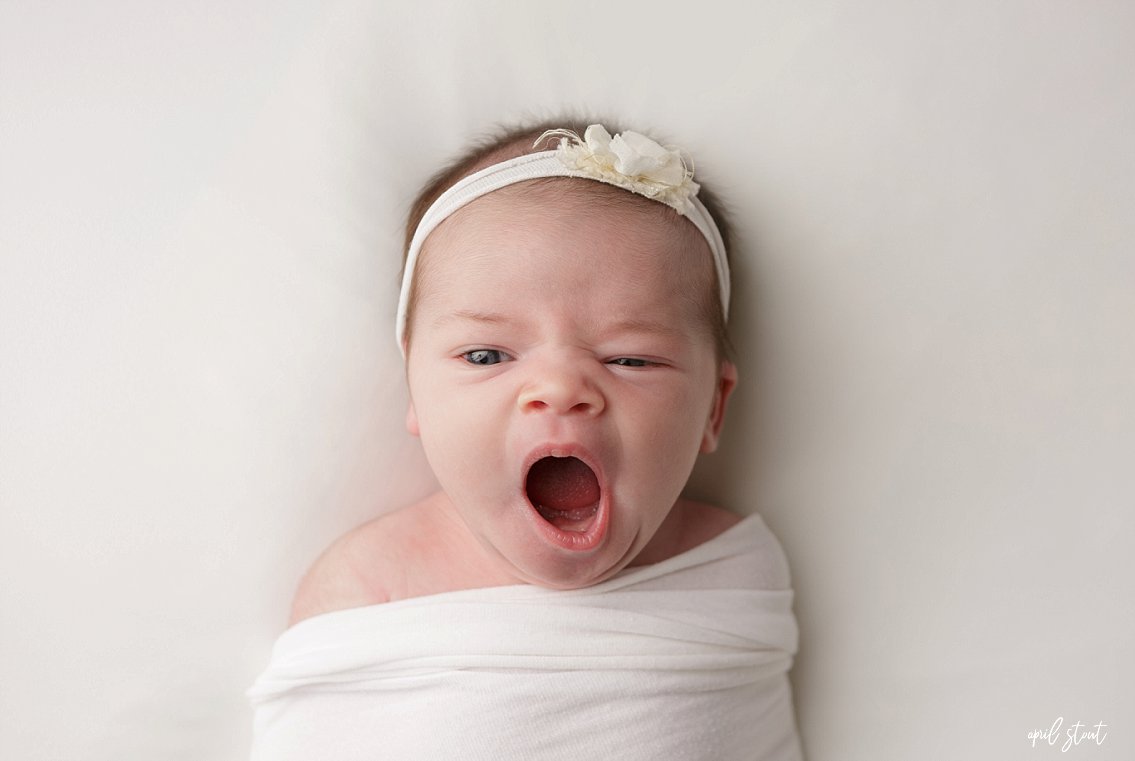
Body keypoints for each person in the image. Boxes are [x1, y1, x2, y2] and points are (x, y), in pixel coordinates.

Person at [247, 120, 802, 760]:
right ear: (413, 391)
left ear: (713, 407)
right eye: (486, 355)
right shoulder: (369, 586)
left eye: (631, 359)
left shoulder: (731, 569)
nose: (560, 389)